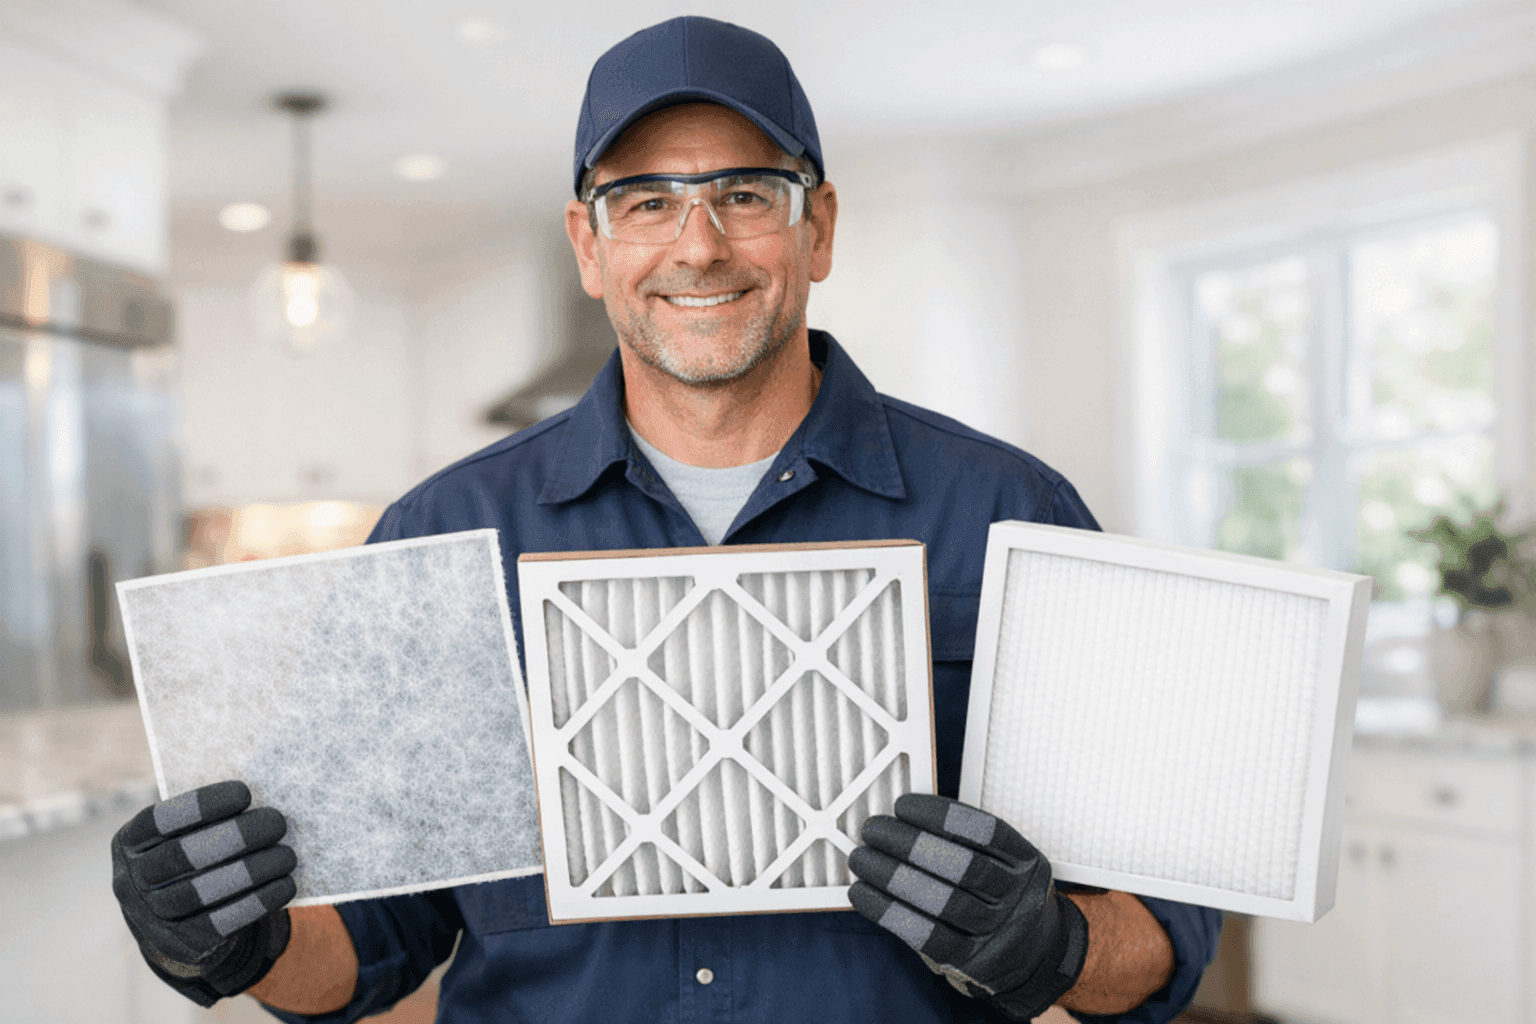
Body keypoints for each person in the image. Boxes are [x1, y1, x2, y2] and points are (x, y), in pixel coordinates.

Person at [110, 16, 1222, 1023]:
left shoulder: (1012, 513)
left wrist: (1053, 944)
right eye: (646, 201)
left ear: (819, 228)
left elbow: (1164, 940)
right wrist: (238, 942)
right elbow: (366, 946)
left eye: (747, 194)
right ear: (588, 245)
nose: (698, 245)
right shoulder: (442, 535)